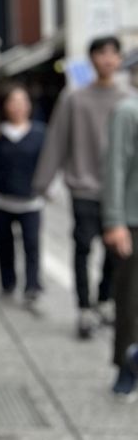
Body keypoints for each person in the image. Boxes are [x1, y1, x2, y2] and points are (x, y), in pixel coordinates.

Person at [34, 35, 128, 338]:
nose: (108, 59)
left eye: (114, 53)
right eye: (102, 53)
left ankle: (104, 300)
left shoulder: (129, 98)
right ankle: (84, 307)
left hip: (120, 191)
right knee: (83, 247)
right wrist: (43, 182)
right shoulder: (74, 99)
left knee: (117, 250)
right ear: (91, 59)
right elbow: (57, 140)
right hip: (83, 187)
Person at [0, 86, 47, 310]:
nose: (18, 106)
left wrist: (49, 187)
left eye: (22, 101)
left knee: (32, 244)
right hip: (0, 199)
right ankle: (8, 282)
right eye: (13, 101)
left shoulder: (40, 134)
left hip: (31, 200)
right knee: (4, 244)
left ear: (29, 105)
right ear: (5, 106)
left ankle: (32, 286)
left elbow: (48, 165)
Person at [102, 92, 138, 396]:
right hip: (133, 219)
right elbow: (115, 166)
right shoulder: (128, 110)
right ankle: (126, 367)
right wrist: (114, 220)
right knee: (130, 301)